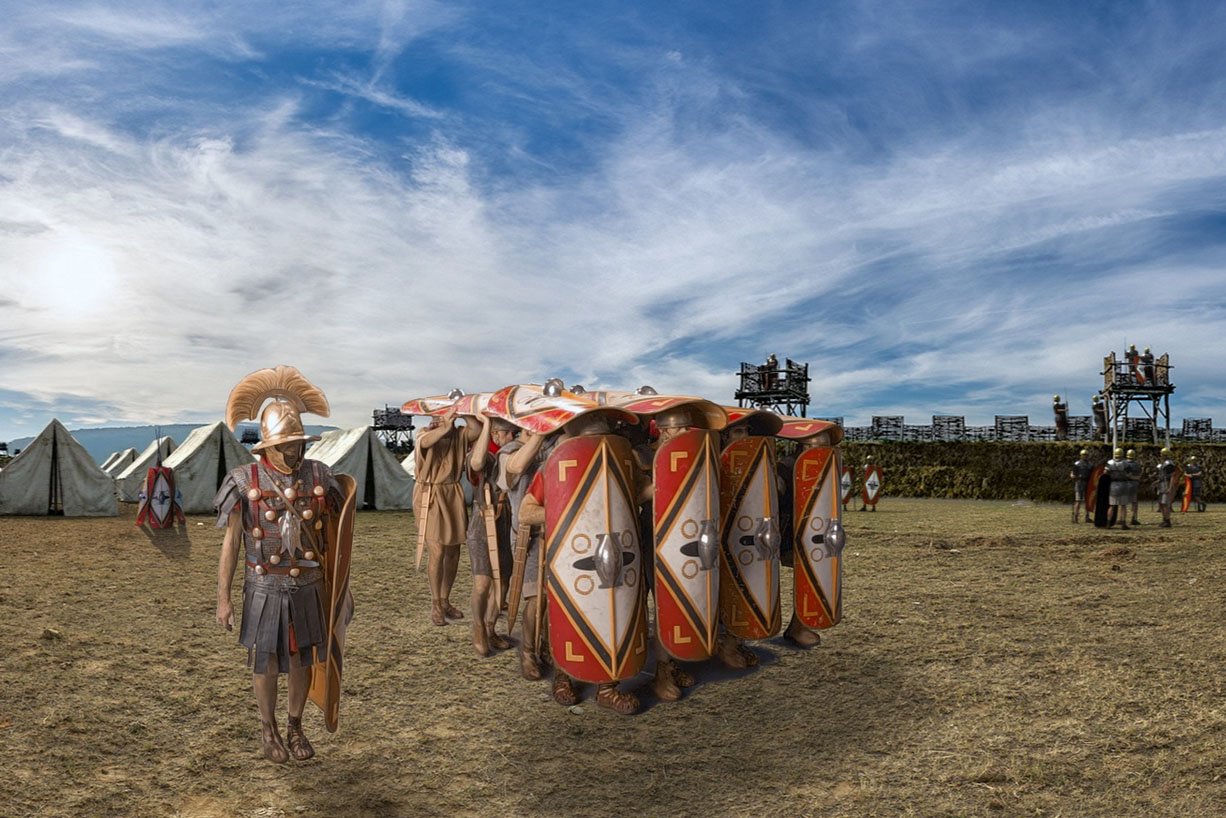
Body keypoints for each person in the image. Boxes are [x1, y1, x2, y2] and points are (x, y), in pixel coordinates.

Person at [215, 365, 354, 763]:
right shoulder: (244, 480)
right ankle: (268, 728)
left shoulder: (320, 476)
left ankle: (295, 725)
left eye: (297, 443)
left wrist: (342, 589)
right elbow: (231, 544)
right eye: (287, 444)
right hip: (264, 586)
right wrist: (223, 598)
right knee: (266, 660)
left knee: (301, 658)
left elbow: (336, 539)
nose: (294, 451)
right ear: (269, 444)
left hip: (309, 586)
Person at [518, 409, 649, 716]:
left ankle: (608, 687)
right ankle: (563, 676)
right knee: (568, 614)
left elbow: (643, 492)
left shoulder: (623, 462)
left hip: (614, 555)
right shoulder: (555, 465)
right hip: (572, 558)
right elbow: (527, 512)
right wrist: (569, 515)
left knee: (612, 614)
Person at [414, 405, 480, 626]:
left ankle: (445, 600)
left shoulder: (459, 435)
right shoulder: (424, 433)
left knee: (453, 551)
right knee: (437, 550)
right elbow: (425, 443)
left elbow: (477, 430)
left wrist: (465, 409)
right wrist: (443, 426)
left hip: (452, 493)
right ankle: (435, 603)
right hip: (430, 493)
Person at [466, 413, 517, 657]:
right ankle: (478, 628)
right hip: (482, 520)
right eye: (497, 433)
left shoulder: (513, 453)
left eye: (505, 432)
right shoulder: (482, 454)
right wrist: (486, 423)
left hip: (506, 519)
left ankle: (490, 627)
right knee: (483, 582)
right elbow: (476, 465)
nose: (509, 436)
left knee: (504, 580)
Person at [1105, 448, 1129, 530]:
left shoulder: (1110, 462)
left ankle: (1108, 523)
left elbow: (1105, 473)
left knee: (1112, 506)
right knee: (1123, 506)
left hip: (1113, 485)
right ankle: (1123, 523)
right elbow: (1128, 473)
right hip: (1123, 485)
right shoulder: (1125, 463)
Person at [1154, 448, 1177, 528]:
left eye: (1162, 454)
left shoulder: (1168, 464)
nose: (1160, 455)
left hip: (1166, 484)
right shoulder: (1163, 463)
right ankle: (1164, 519)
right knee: (1161, 503)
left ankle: (1167, 521)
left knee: (1165, 503)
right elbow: (1162, 476)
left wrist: (1170, 488)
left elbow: (1172, 476)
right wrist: (1156, 482)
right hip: (1161, 484)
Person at [1070, 449, 1094, 524]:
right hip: (1079, 483)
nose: (1085, 456)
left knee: (1087, 501)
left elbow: (1093, 475)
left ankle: (1087, 517)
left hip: (1088, 483)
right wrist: (1075, 476)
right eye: (1084, 455)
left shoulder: (1090, 465)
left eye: (1086, 455)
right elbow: (1073, 474)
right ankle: (1075, 517)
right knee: (1078, 500)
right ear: (1081, 456)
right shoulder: (1077, 464)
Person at [1125, 448, 1141, 525]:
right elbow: (1139, 475)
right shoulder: (1137, 465)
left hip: (1125, 484)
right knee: (1134, 502)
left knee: (1123, 503)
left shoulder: (1123, 464)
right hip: (1134, 484)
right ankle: (1134, 518)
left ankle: (1122, 518)